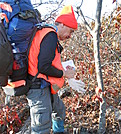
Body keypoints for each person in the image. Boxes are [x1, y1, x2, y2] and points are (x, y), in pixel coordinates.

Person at [27, 5, 78, 134]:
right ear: (62, 25)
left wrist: (63, 69)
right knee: (41, 126)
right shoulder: (50, 35)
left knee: (59, 109)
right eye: (71, 31)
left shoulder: (49, 34)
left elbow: (47, 62)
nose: (70, 35)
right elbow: (43, 66)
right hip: (37, 87)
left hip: (45, 85)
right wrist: (64, 73)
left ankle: (58, 131)